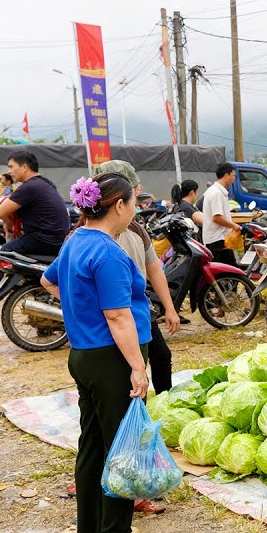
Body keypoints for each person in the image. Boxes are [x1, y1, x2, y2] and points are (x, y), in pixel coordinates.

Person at [41, 173, 165, 533]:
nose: (135, 211)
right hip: (112, 359)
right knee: (120, 448)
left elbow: (48, 281)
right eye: (134, 203)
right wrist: (137, 368)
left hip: (84, 355)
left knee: (93, 443)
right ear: (119, 205)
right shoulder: (108, 253)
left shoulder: (75, 241)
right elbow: (118, 316)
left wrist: (80, 310)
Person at [93, 161, 181, 395]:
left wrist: (170, 308)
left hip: (139, 310)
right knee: (124, 371)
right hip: (112, 316)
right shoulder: (90, 235)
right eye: (133, 191)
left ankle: (164, 402)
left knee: (161, 356)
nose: (138, 195)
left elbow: (155, 270)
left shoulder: (136, 230)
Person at [0, 150, 69, 258]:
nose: (9, 171)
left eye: (11, 167)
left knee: (5, 251)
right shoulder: (47, 183)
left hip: (43, 241)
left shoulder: (29, 187)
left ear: (24, 167)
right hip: (59, 241)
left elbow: (0, 213)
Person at [200, 163, 241, 267]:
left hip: (219, 239)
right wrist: (233, 225)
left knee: (226, 270)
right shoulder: (216, 193)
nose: (234, 178)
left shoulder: (218, 191)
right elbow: (217, 217)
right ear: (226, 175)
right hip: (217, 240)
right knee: (231, 270)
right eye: (233, 175)